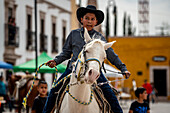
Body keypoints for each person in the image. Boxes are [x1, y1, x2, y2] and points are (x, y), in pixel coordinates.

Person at [43, 5, 131, 113]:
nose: (89, 21)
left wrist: (123, 68)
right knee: (54, 90)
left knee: (110, 94)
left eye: (92, 19)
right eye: (87, 18)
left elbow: (111, 55)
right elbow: (66, 53)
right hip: (73, 70)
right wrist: (55, 61)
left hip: (94, 70)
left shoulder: (99, 38)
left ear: (96, 22)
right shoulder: (73, 34)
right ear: (81, 19)